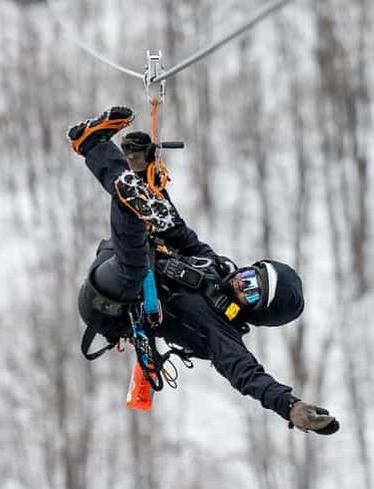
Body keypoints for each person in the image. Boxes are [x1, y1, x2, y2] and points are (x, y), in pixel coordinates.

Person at [68, 106, 339, 435]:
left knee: (135, 263)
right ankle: (129, 175)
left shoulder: (222, 333)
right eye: (251, 275)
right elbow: (177, 232)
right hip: (118, 259)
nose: (242, 283)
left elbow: (248, 374)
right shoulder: (214, 265)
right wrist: (149, 172)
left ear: (255, 311)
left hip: (112, 304)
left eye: (252, 292)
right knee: (155, 223)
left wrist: (290, 406)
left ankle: (103, 158)